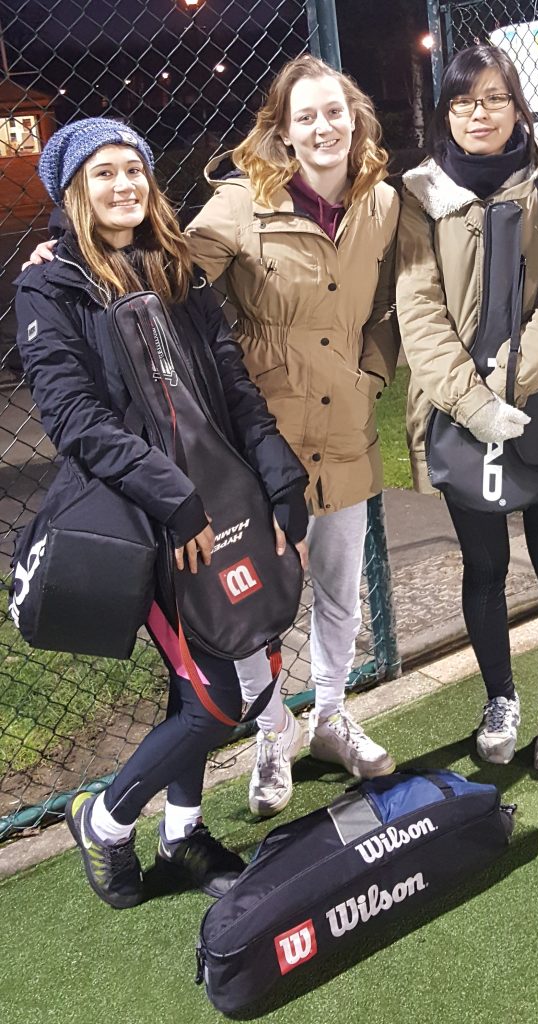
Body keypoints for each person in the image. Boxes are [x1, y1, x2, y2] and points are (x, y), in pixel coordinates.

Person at [26, 56, 401, 817]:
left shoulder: (383, 203)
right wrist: (59, 252)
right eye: (306, 117)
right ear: (284, 131)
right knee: (251, 609)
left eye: (336, 111)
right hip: (243, 456)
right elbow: (156, 274)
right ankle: (271, 734)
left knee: (337, 588)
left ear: (355, 117)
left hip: (341, 430)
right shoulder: (230, 213)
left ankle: (328, 716)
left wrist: (371, 374)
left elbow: (390, 306)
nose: (324, 127)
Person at [15, 118, 310, 909]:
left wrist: (281, 475)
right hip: (153, 517)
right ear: (76, 189)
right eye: (104, 174)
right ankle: (106, 822)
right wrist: (174, 502)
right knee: (219, 693)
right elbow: (73, 417)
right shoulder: (50, 283)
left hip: (227, 497)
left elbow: (232, 380)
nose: (124, 187)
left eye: (134, 171)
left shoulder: (177, 267)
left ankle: (180, 832)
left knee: (234, 672)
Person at [395, 46, 538, 771]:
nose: (479, 114)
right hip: (458, 416)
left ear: (517, 107)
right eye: (463, 102)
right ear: (446, 112)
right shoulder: (419, 194)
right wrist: (473, 403)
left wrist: (510, 386)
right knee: (483, 566)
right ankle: (500, 696)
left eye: (494, 98)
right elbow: (417, 307)